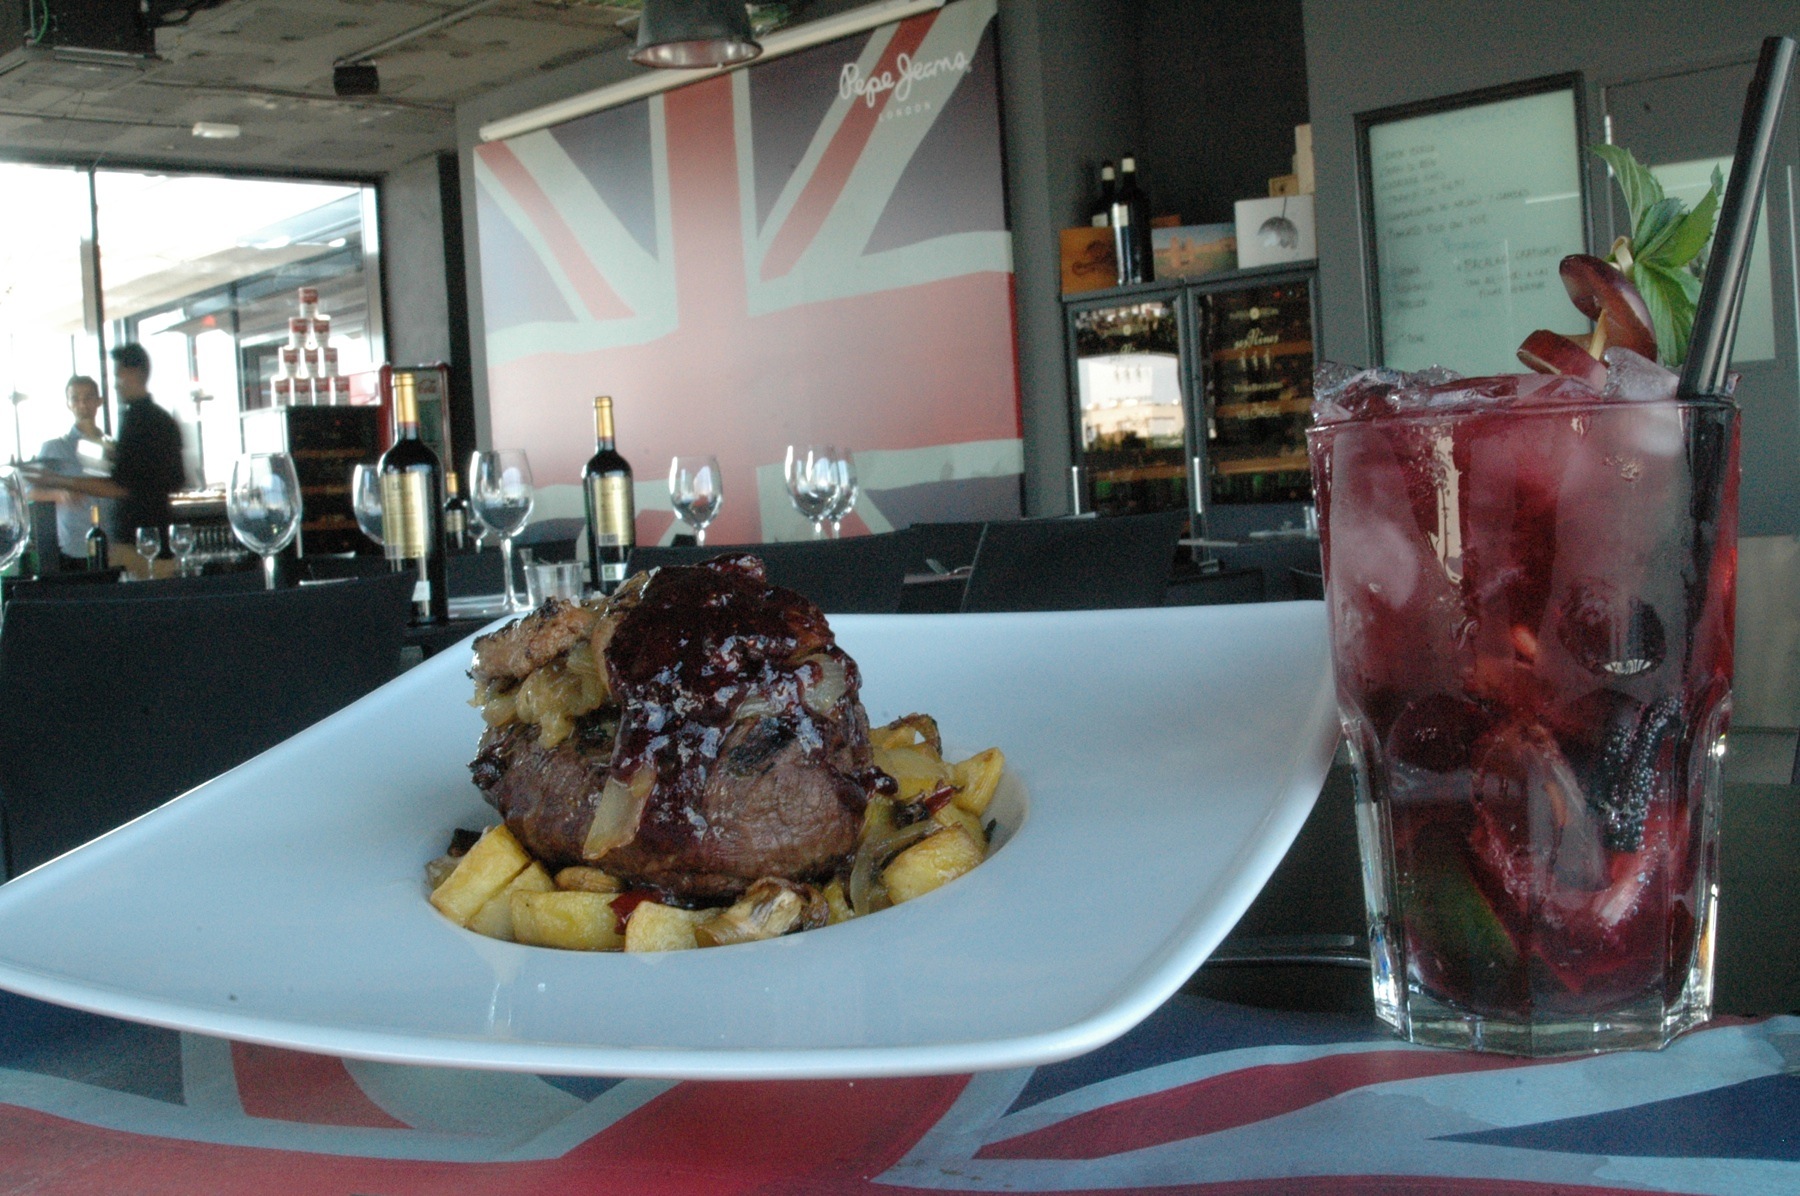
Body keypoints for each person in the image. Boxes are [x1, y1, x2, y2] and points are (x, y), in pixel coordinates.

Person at [38, 344, 187, 559]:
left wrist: (62, 481)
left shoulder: (135, 423)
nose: (116, 385)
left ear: (135, 373)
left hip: (136, 542)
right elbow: (177, 479)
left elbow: (121, 486)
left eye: (118, 375)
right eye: (75, 398)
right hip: (142, 538)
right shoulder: (161, 419)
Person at [30, 376, 116, 570]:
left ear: (99, 401)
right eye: (75, 398)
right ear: (68, 404)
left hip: (114, 548)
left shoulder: (114, 448)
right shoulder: (54, 448)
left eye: (88, 398)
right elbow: (30, 492)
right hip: (74, 549)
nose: (82, 404)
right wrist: (60, 495)